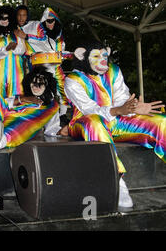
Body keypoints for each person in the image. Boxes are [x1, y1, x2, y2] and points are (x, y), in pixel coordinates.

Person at [65, 38, 165, 209]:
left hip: (116, 121)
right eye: (96, 56)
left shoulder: (114, 71)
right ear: (83, 56)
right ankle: (116, 181)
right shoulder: (73, 80)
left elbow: (122, 99)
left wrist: (134, 108)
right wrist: (118, 110)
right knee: (94, 122)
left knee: (161, 121)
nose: (103, 60)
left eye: (105, 55)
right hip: (84, 123)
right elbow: (90, 110)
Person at [22, 7, 71, 133]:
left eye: (52, 21)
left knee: (62, 90)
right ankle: (37, 119)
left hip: (56, 67)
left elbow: (61, 52)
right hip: (42, 69)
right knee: (40, 92)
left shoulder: (59, 36)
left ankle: (62, 116)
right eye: (48, 21)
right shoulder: (37, 33)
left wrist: (71, 55)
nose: (50, 23)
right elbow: (32, 41)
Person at [0, 6, 26, 103]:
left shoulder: (17, 33)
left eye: (7, 18)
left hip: (16, 74)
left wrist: (14, 47)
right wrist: (6, 49)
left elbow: (23, 50)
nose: (4, 20)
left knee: (17, 100)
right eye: (2, 18)